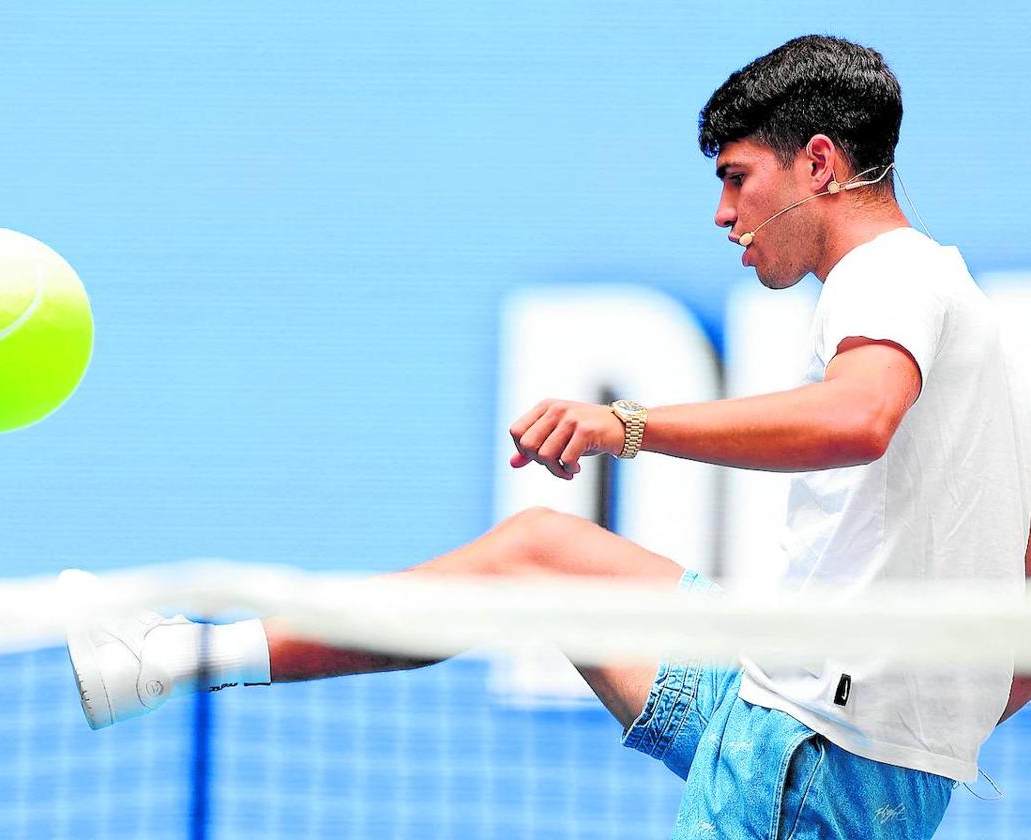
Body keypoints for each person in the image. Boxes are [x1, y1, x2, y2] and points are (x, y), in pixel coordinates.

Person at [65, 34, 1031, 839]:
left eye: (739, 179)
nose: (723, 213)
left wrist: (628, 425)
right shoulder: (958, 312)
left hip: (806, 763)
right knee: (537, 553)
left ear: (819, 164)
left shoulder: (886, 275)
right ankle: (162, 664)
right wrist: (927, 738)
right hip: (791, 708)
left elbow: (855, 418)